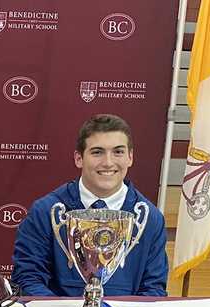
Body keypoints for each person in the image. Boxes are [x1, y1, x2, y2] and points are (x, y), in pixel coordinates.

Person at [11, 114, 168, 297]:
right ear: (79, 158)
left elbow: (154, 289)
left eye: (118, 152)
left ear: (130, 158)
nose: (108, 162)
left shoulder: (150, 218)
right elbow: (27, 279)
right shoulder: (46, 212)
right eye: (97, 152)